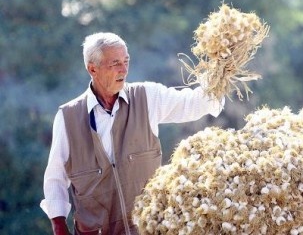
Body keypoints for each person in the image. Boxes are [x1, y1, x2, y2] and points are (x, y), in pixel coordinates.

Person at [40, 32, 224, 235]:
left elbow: (194, 103)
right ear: (93, 68)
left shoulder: (147, 97)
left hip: (149, 229)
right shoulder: (68, 117)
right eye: (115, 63)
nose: (124, 70)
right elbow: (55, 178)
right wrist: (59, 227)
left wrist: (222, 69)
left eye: (126, 61)